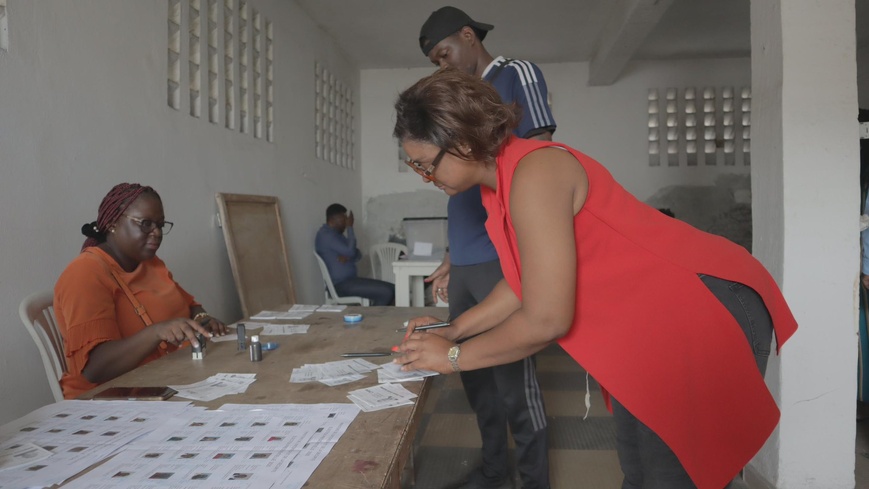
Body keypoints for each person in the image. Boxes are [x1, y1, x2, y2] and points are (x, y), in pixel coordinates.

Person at [392, 69, 798, 489]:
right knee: (639, 463)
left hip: (702, 302)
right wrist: (454, 328)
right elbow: (522, 280)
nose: (427, 178)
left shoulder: (535, 172)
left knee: (674, 472)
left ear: (459, 143)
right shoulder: (498, 188)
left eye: (425, 166)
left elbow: (546, 319)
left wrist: (453, 357)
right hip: (649, 321)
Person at [410, 6, 555, 489]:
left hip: (505, 254)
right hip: (468, 259)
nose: (443, 64)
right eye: (434, 60)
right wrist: (452, 258)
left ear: (469, 36)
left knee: (514, 377)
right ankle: (495, 472)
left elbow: (541, 158)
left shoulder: (515, 74)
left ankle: (534, 480)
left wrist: (522, 246)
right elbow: (463, 196)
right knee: (475, 381)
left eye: (445, 52)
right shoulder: (454, 102)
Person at [54, 183, 227, 399]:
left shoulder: (151, 264)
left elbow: (188, 305)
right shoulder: (85, 273)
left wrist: (203, 317)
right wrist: (156, 332)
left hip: (163, 380)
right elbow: (95, 369)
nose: (156, 233)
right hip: (109, 400)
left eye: (160, 225)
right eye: (145, 224)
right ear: (113, 224)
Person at [315, 203, 395, 306]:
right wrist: (350, 228)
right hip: (340, 285)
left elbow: (357, 254)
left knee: (394, 289)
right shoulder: (326, 235)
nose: (346, 222)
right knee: (386, 292)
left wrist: (348, 256)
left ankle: (377, 317)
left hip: (351, 281)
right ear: (333, 219)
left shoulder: (336, 235)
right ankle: (373, 319)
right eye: (344, 219)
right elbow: (352, 251)